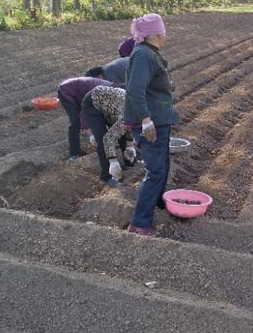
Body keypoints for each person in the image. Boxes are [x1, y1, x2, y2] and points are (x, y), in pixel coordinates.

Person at [124, 13, 179, 236]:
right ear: (157, 33)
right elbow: (134, 90)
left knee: (162, 165)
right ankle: (139, 223)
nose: (166, 33)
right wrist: (146, 120)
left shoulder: (149, 53)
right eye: (164, 29)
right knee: (155, 170)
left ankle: (156, 202)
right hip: (151, 123)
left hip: (160, 119)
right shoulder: (144, 55)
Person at [82, 85, 135, 186]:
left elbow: (130, 129)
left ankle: (129, 162)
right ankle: (107, 176)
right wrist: (113, 161)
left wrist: (130, 146)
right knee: (102, 139)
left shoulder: (141, 115)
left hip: (112, 107)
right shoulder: (127, 117)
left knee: (123, 133)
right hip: (93, 102)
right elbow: (108, 138)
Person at [57, 76, 119, 161]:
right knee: (76, 122)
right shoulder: (101, 93)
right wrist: (91, 134)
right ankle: (74, 154)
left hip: (81, 92)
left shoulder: (115, 93)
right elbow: (85, 111)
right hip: (67, 90)